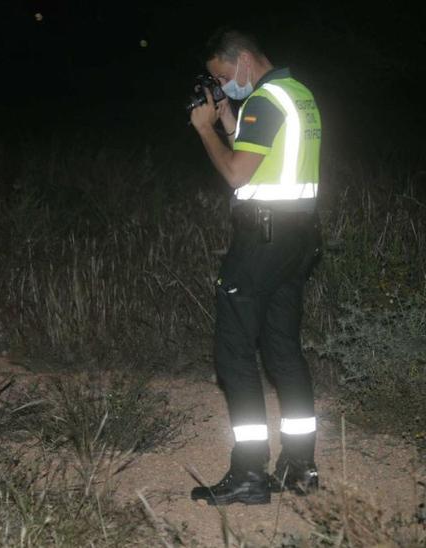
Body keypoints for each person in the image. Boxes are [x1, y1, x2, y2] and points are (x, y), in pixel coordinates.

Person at [188, 27, 323, 506]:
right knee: (284, 349)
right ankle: (300, 464)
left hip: (261, 239)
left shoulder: (265, 102)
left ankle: (248, 474)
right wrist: (229, 121)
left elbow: (238, 173)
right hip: (297, 239)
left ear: (244, 60)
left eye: (225, 77)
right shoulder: (298, 95)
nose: (225, 88)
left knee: (235, 351)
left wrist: (205, 129)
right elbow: (272, 163)